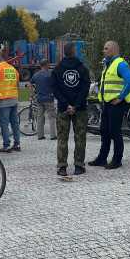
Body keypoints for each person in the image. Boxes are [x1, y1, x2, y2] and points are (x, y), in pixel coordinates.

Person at [89, 41, 130, 169]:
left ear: (114, 49)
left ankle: (117, 160)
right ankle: (102, 158)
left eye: (106, 48)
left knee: (115, 132)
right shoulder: (108, 64)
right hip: (107, 103)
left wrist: (120, 98)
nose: (103, 50)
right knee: (104, 131)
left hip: (117, 104)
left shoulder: (120, 64)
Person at [51, 42, 90, 176]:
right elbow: (85, 88)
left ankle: (62, 167)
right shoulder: (82, 68)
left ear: (64, 52)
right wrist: (76, 105)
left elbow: (55, 89)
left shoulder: (57, 69)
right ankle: (79, 166)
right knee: (80, 138)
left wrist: (66, 104)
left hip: (63, 109)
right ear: (74, 51)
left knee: (62, 138)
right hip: (80, 109)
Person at [0, 50, 21, 153]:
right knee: (15, 123)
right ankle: (17, 144)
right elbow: (17, 83)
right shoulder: (13, 69)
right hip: (14, 99)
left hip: (3, 100)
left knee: (4, 124)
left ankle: (6, 145)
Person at [30, 59, 57, 140]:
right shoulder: (50, 74)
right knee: (51, 117)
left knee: (40, 117)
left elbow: (30, 83)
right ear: (46, 65)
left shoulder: (36, 75)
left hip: (39, 98)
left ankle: (40, 135)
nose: (49, 65)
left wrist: (32, 94)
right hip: (49, 98)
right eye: (48, 64)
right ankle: (53, 135)